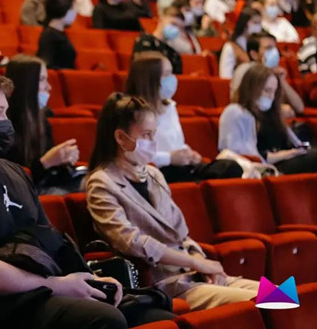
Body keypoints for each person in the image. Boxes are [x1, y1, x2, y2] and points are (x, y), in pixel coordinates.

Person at [0, 73, 175, 329]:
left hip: (44, 289)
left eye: (5, 112)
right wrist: (58, 285)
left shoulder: (14, 172)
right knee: (104, 318)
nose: (5, 122)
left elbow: (48, 241)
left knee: (153, 314)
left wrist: (90, 278)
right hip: (4, 303)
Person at [85, 92, 259, 310]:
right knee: (266, 302)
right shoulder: (101, 183)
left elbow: (181, 234)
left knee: (285, 296)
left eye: (154, 134)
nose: (153, 142)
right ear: (120, 137)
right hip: (163, 285)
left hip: (193, 275)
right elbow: (131, 242)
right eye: (146, 135)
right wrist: (195, 262)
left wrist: (202, 262)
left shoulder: (154, 175)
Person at [126, 53, 242, 183]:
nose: (173, 78)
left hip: (183, 167)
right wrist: (169, 158)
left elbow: (177, 143)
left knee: (230, 167)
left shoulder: (170, 106)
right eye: (167, 74)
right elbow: (134, 154)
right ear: (151, 80)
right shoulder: (135, 114)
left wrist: (189, 153)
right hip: (159, 172)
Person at [219, 64, 317, 174]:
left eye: (274, 91)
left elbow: (292, 144)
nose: (271, 96)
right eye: (267, 90)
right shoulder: (237, 113)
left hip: (287, 160)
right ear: (251, 89)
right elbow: (247, 157)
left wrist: (295, 151)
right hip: (267, 167)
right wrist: (285, 155)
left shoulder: (272, 114)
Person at [6, 55, 82, 194]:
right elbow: (12, 181)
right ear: (26, 84)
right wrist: (46, 162)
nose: (49, 87)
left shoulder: (41, 119)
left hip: (45, 184)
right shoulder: (6, 126)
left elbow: (49, 170)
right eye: (42, 80)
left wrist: (63, 159)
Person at [230, 32, 304, 116]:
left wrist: (281, 80)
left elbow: (299, 107)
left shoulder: (273, 73)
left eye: (275, 48)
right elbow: (240, 103)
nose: (274, 52)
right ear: (254, 54)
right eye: (269, 48)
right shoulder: (245, 69)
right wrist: (278, 110)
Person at [132, 6, 183, 74]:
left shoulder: (174, 53)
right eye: (173, 24)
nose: (176, 29)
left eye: (180, 27)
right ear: (161, 20)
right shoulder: (144, 41)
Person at [36, 0, 76, 70]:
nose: (75, 13)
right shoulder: (49, 35)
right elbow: (47, 66)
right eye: (72, 10)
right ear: (64, 11)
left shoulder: (58, 33)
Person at [219, 7, 262, 79]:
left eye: (259, 23)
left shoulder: (260, 44)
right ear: (244, 24)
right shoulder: (230, 47)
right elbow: (226, 76)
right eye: (255, 23)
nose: (258, 26)